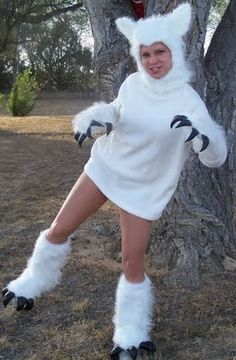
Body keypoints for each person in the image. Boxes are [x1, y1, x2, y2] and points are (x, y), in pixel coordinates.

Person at [2, 3, 227, 359]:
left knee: (131, 261)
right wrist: (96, 121)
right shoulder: (132, 84)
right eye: (146, 53)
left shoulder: (189, 100)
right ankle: (31, 282)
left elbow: (216, 157)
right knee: (59, 228)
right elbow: (116, 114)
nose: (153, 60)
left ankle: (131, 334)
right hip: (106, 168)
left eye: (160, 52)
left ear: (173, 52)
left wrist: (206, 139)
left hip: (144, 189)